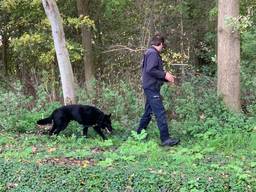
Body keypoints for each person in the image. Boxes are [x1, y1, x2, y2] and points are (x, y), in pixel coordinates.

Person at [137, 34, 180, 147]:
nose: (163, 48)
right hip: (151, 88)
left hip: (151, 87)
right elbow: (151, 70)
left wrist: (167, 78)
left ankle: (138, 134)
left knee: (148, 112)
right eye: (163, 46)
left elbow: (153, 72)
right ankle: (165, 139)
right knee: (160, 113)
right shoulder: (152, 53)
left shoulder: (150, 53)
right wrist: (165, 74)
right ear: (160, 43)